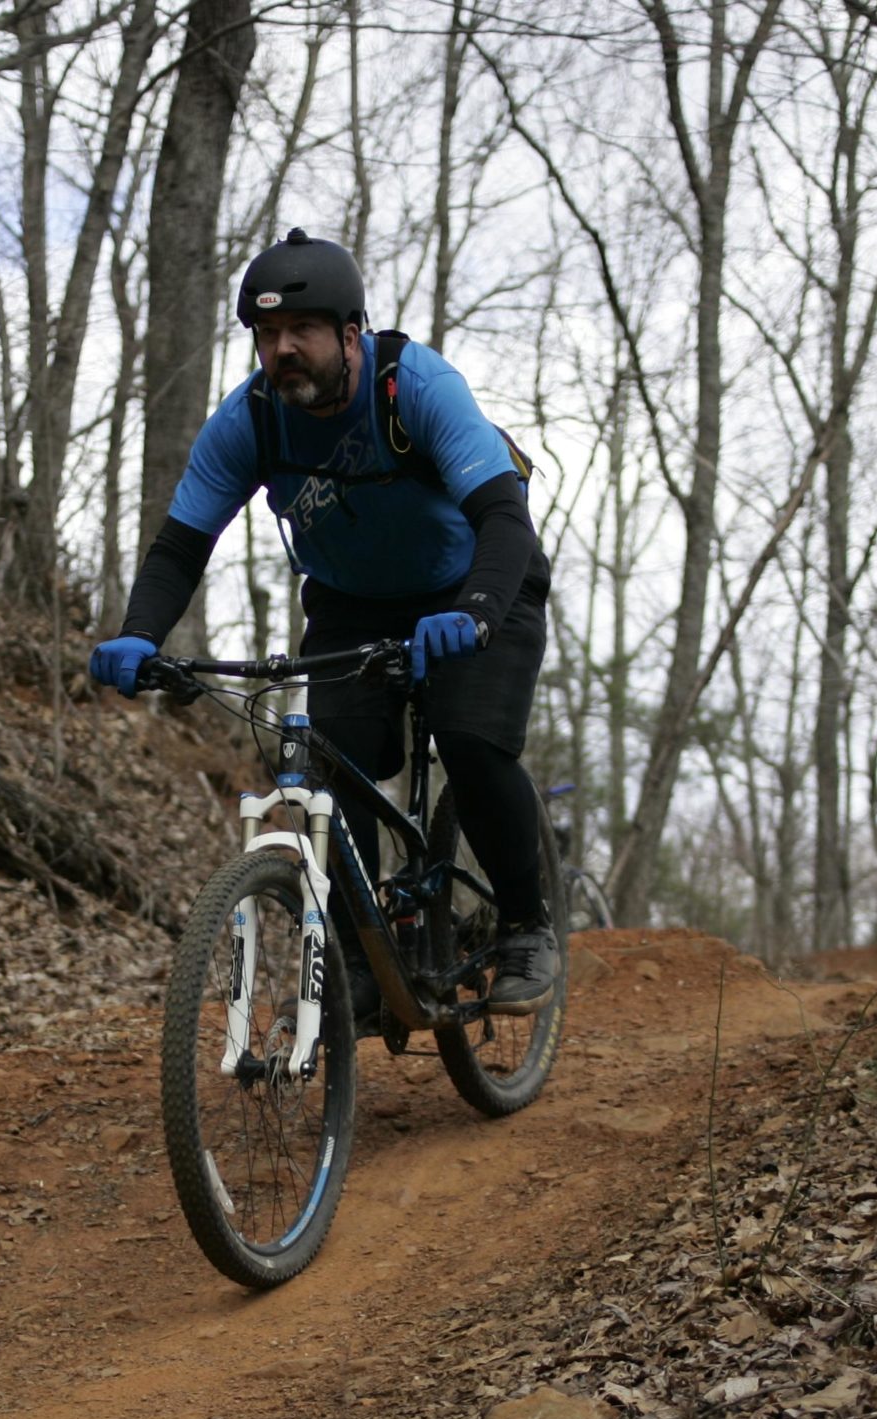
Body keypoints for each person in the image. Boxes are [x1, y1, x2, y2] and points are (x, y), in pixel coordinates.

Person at [87, 228, 559, 1015]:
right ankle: (363, 960)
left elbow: (505, 518)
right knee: (330, 760)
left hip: (475, 580)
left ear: (350, 335)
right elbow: (180, 546)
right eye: (267, 335)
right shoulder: (252, 420)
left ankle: (524, 924)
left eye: (300, 332)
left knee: (471, 738)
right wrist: (141, 632)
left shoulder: (416, 389)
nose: (282, 350)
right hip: (353, 602)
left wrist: (474, 613)